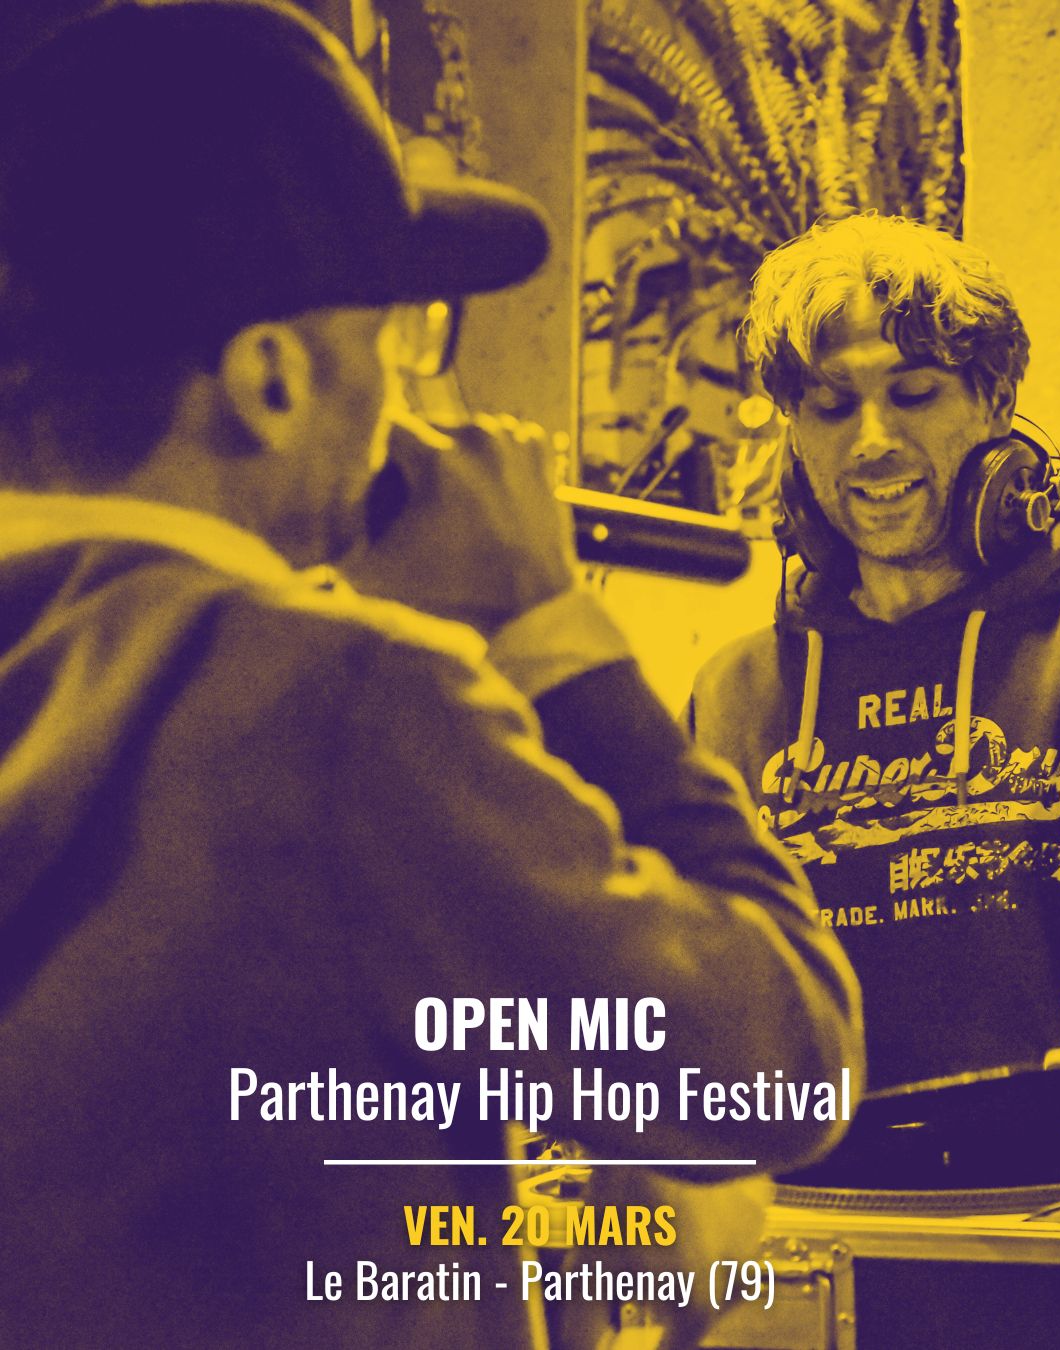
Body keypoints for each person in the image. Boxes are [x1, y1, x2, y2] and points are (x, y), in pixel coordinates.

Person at [0, 3, 863, 1346]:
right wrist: (548, 629)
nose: (408, 399)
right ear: (271, 378)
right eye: (397, 339)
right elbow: (774, 1071)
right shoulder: (333, 706)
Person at [689, 212, 1060, 1094]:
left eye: (913, 395)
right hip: (809, 1177)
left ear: (995, 401)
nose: (871, 442)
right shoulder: (733, 696)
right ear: (794, 429)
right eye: (832, 407)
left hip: (1039, 1179)